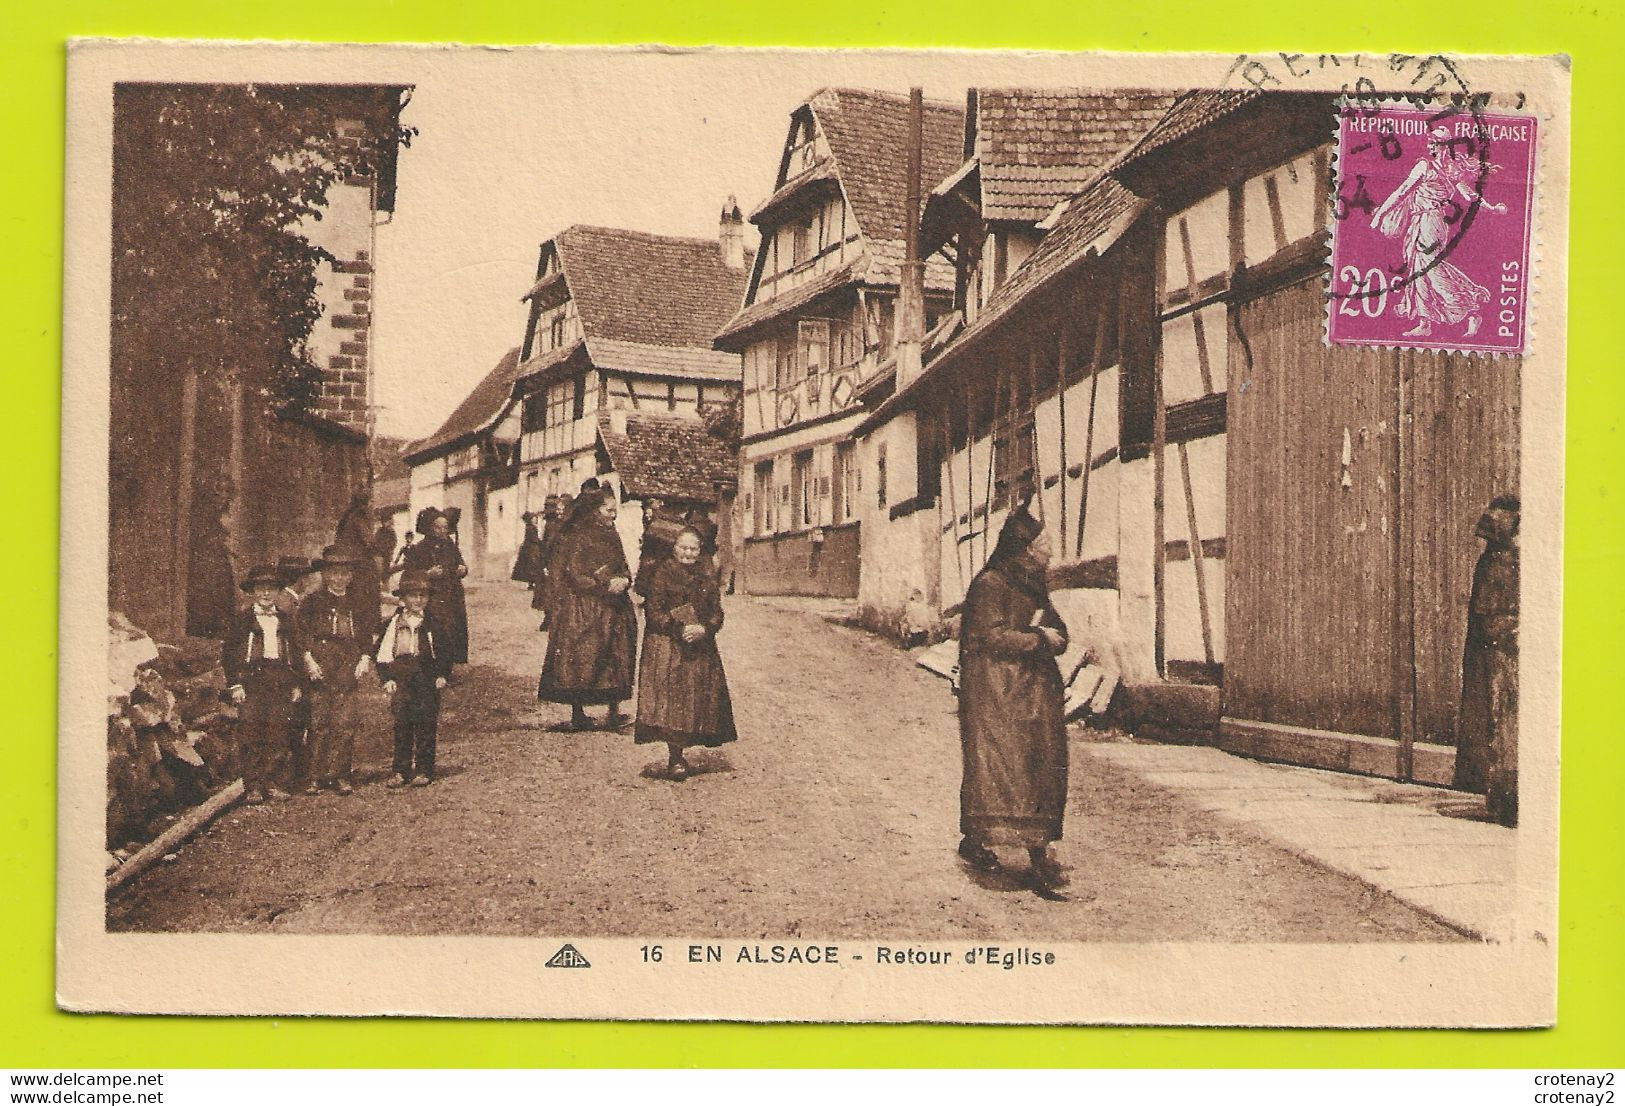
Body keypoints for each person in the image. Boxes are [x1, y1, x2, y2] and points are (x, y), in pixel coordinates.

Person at [956, 501, 1073, 899]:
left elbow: (1054, 624)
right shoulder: (990, 583)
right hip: (996, 694)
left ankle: (1038, 849)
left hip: (1033, 692)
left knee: (1039, 766)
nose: (1048, 554)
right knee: (1002, 769)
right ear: (1024, 550)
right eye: (1043, 547)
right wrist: (1040, 639)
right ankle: (980, 841)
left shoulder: (1032, 582)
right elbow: (988, 637)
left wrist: (1055, 634)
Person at [1369, 125, 1507, 339]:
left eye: (1434, 142)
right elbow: (1470, 195)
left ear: (1444, 146)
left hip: (1429, 221)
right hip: (1426, 221)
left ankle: (1469, 307)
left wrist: (1380, 215)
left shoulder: (1428, 167)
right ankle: (1425, 322)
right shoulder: (1449, 169)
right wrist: (1491, 207)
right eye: (1429, 142)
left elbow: (1402, 191)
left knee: (1429, 267)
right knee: (1418, 266)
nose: (1429, 145)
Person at [634, 526, 736, 780]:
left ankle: (686, 747)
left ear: (700, 551)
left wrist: (706, 628)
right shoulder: (662, 574)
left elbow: (716, 612)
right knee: (673, 702)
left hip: (700, 644)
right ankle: (675, 758)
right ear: (674, 548)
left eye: (694, 549)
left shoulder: (706, 575)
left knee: (696, 699)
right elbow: (654, 613)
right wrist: (680, 628)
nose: (689, 553)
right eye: (683, 548)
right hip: (668, 646)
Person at [536, 486, 638, 731]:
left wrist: (624, 579)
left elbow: (622, 563)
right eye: (608, 510)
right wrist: (604, 585)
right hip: (586, 605)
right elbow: (574, 573)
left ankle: (613, 710)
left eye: (615, 510)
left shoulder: (611, 533)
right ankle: (578, 712)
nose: (613, 515)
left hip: (614, 605)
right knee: (582, 656)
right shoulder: (578, 535)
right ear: (595, 510)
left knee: (616, 653)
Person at [1454, 495, 1520, 826]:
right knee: (1497, 720)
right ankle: (1500, 796)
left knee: (1506, 719)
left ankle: (1507, 800)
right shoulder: (1494, 558)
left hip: (1504, 645)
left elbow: (1496, 606)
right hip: (1491, 641)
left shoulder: (1507, 560)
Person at [296, 543, 377, 796]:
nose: (339, 578)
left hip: (347, 664)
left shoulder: (358, 603)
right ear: (325, 574)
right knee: (319, 721)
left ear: (350, 576)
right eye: (333, 573)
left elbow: (367, 635)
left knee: (345, 722)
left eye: (344, 573)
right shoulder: (311, 602)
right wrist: (308, 660)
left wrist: (365, 657)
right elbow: (301, 635)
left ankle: (340, 774)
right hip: (320, 663)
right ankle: (315, 776)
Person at [222, 564, 306, 804]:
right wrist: (235, 685)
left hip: (280, 678)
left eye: (270, 589)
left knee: (278, 731)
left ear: (278, 591)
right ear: (253, 592)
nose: (266, 594)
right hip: (252, 680)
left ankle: (274, 782)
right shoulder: (242, 620)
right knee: (251, 731)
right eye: (261, 589)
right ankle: (254, 786)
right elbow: (228, 654)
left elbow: (296, 653)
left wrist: (296, 683)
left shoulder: (286, 619)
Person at [372, 569, 451, 788]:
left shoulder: (434, 623)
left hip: (426, 676)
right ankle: (400, 770)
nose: (418, 600)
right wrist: (387, 678)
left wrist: (442, 674)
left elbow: (445, 652)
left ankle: (424, 769)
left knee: (426, 722)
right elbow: (383, 654)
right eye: (413, 595)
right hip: (402, 676)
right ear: (403, 598)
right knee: (402, 724)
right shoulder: (393, 624)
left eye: (423, 596)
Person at [402, 507, 470, 667]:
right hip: (431, 596)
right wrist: (427, 574)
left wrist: (463, 569)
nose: (442, 531)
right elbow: (409, 574)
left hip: (452, 594)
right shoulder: (419, 548)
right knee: (437, 630)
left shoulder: (450, 546)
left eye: (445, 528)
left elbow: (461, 563)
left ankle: (447, 665)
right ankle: (432, 664)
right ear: (429, 528)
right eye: (438, 527)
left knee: (453, 629)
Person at [334, 489, 384, 616]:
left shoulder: (347, 517)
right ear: (366, 503)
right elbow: (368, 540)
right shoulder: (359, 517)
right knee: (368, 591)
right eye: (370, 502)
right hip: (359, 563)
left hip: (347, 560)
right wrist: (377, 554)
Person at [512, 511, 546, 588]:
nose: (534, 519)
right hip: (532, 548)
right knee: (534, 564)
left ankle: (531, 583)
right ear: (530, 519)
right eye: (532, 518)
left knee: (530, 565)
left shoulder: (528, 526)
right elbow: (533, 538)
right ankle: (533, 583)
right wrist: (540, 542)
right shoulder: (532, 527)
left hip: (528, 547)